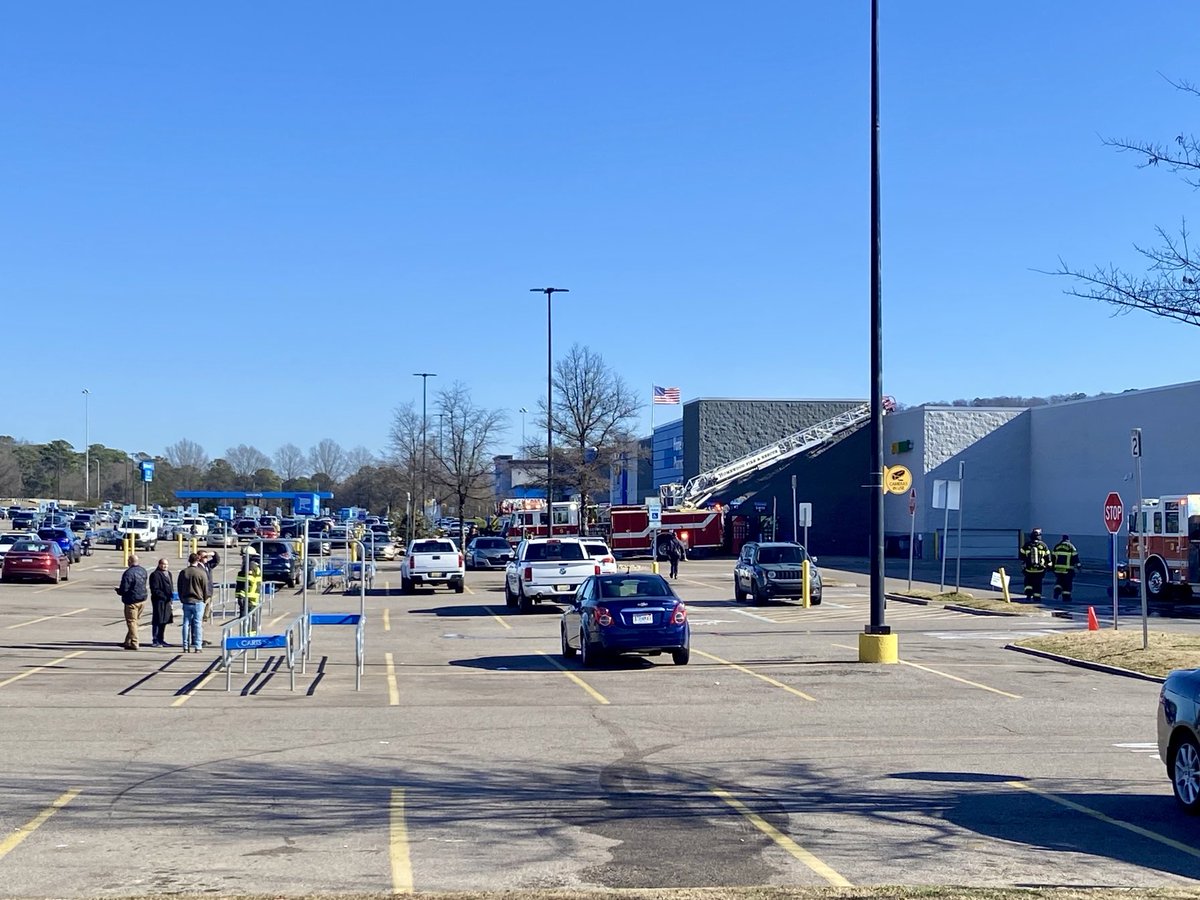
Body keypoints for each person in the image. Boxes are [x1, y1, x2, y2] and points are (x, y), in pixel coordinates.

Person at [176, 552, 211, 653]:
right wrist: (204, 599)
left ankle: (185, 646)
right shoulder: (201, 572)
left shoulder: (184, 572)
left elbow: (179, 587)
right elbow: (205, 587)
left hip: (186, 601)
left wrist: (182, 598)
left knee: (186, 623)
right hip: (198, 601)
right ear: (198, 560)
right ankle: (198, 646)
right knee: (197, 624)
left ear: (189, 560)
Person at [115, 554, 149, 650]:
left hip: (132, 601)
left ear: (130, 561)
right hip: (142, 599)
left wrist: (119, 591)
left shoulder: (128, 573)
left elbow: (124, 588)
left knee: (131, 622)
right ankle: (128, 641)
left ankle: (134, 642)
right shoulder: (143, 571)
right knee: (135, 622)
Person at [1019, 528, 1052, 601]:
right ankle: (1037, 597)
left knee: (1028, 582)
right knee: (1038, 584)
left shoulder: (1027, 545)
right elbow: (1048, 558)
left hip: (1029, 569)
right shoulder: (1043, 545)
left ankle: (1028, 595)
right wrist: (1049, 566)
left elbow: (1021, 556)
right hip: (1040, 570)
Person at [148, 558, 175, 647]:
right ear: (159, 564)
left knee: (164, 620)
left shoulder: (169, 574)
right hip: (159, 601)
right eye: (163, 564)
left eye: (166, 564)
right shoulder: (155, 575)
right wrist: (164, 596)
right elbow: (155, 589)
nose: (165, 566)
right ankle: (155, 640)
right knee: (157, 620)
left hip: (167, 601)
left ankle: (161, 639)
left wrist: (171, 597)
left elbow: (171, 587)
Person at [1052, 534, 1082, 603]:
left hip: (1058, 569)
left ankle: (1057, 590)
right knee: (1067, 584)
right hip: (1068, 569)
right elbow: (1075, 558)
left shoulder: (1057, 546)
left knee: (1059, 580)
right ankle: (1066, 597)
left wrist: (1052, 567)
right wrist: (1078, 566)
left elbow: (1053, 558)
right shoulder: (1071, 547)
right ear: (1068, 540)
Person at [235, 552, 263, 621]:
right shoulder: (254, 567)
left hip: (248, 598)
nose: (242, 559)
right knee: (250, 618)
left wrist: (241, 595)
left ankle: (247, 631)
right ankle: (248, 631)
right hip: (250, 597)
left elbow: (247, 582)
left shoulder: (250, 566)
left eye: (244, 557)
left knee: (247, 618)